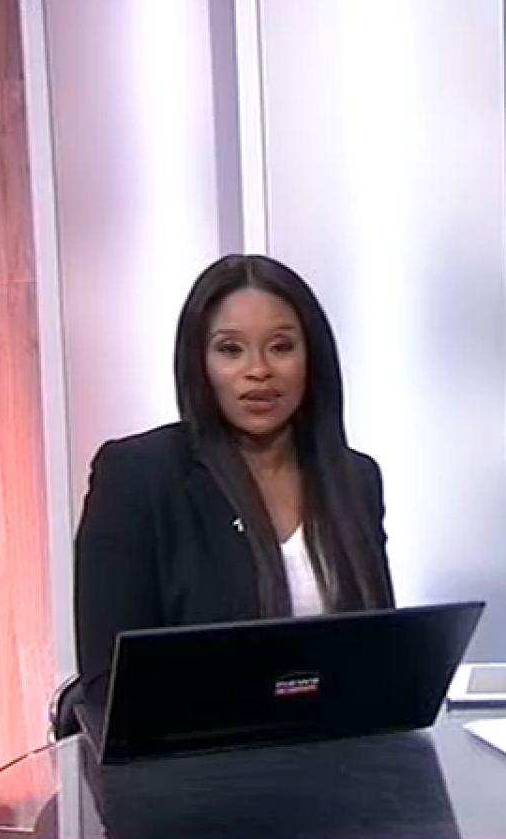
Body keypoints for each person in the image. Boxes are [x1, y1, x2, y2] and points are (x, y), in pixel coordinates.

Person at [56, 254, 395, 736]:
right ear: (199, 362)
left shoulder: (355, 478)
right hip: (192, 763)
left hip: (342, 760)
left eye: (281, 347)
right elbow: (108, 684)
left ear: (312, 359)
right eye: (231, 350)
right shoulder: (137, 476)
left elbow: (381, 656)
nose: (258, 371)